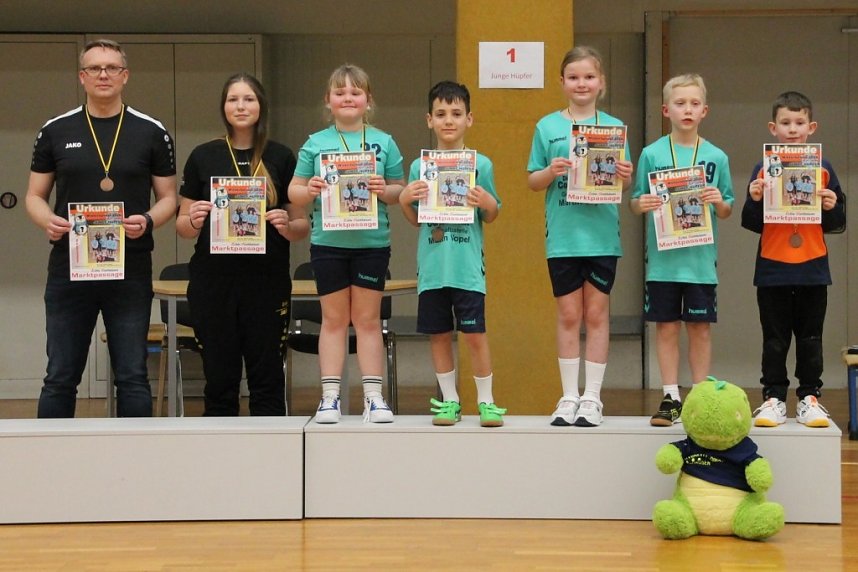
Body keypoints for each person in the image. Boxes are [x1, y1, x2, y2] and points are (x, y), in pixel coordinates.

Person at [25, 39, 177, 418]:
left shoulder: (151, 131)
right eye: (94, 68)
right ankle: (52, 462)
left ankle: (134, 465)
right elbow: (33, 196)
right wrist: (49, 220)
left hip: (130, 268)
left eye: (111, 68)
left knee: (131, 374)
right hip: (69, 269)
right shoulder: (55, 130)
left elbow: (169, 198)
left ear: (125, 76)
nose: (103, 74)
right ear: (82, 77)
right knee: (60, 375)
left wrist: (148, 220)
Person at [177, 73, 308, 416]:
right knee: (219, 379)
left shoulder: (281, 156)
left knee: (267, 380)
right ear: (223, 107)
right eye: (233, 99)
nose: (241, 106)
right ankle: (220, 462)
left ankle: (273, 461)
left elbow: (301, 225)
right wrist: (194, 219)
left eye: (248, 99)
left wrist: (286, 224)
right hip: (213, 283)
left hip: (266, 282)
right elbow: (182, 226)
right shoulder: (203, 156)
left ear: (261, 106)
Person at [288, 64, 405, 424]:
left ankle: (374, 397)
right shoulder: (316, 142)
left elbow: (400, 190)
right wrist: (308, 190)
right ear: (329, 100)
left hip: (372, 243)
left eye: (356, 92)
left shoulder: (383, 141)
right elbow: (294, 190)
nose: (348, 98)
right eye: (340, 92)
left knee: (367, 320)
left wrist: (383, 190)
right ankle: (330, 398)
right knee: (334, 320)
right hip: (328, 244)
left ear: (368, 100)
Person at [526, 46, 634, 427]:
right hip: (564, 238)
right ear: (562, 82)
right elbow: (532, 181)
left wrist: (625, 172)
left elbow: (626, 183)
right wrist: (551, 170)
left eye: (589, 77)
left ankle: (592, 397)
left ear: (601, 82)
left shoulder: (614, 128)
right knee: (569, 314)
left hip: (602, 237)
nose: (582, 83)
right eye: (574, 77)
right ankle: (569, 395)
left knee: (596, 314)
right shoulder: (547, 127)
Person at [399, 81, 506, 427]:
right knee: (439, 334)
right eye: (441, 114)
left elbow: (492, 213)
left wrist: (486, 201)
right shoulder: (419, 167)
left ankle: (487, 402)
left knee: (475, 335)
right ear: (429, 120)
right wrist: (403, 199)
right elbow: (416, 220)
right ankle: (450, 401)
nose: (449, 120)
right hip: (433, 268)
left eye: (456, 114)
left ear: (469, 119)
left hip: (467, 269)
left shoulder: (482, 165)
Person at [630, 73, 734, 426]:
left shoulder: (716, 156)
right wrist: (641, 203)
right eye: (679, 103)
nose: (686, 109)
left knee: (700, 328)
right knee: (666, 327)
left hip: (700, 261)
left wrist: (719, 201)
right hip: (662, 262)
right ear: (666, 110)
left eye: (693, 103)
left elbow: (727, 209)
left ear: (704, 110)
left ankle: (701, 395)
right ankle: (671, 396)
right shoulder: (652, 153)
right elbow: (633, 202)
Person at [741, 91, 845, 428]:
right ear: (773, 127)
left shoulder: (824, 168)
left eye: (799, 122)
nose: (792, 129)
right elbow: (751, 222)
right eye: (785, 123)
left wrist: (832, 205)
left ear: (811, 127)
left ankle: (809, 397)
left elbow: (837, 223)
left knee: (811, 338)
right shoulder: (764, 167)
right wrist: (754, 198)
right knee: (774, 339)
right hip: (773, 267)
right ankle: (773, 398)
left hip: (813, 268)